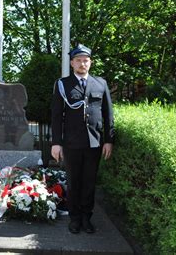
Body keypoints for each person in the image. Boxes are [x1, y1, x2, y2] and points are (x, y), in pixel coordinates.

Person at [50, 44, 114, 234]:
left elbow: (108, 114)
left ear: (90, 62)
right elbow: (56, 116)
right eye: (78, 60)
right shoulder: (63, 84)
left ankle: (87, 218)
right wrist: (56, 143)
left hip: (94, 142)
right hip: (71, 143)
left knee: (89, 182)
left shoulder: (100, 83)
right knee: (74, 181)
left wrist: (109, 140)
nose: (82, 63)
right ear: (72, 63)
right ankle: (75, 219)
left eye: (85, 60)